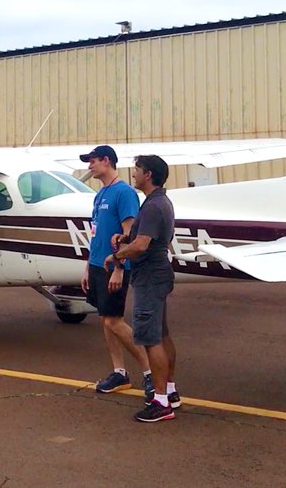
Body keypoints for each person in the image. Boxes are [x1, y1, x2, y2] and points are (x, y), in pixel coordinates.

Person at [105, 154, 180, 422]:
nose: (133, 174)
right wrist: (127, 236)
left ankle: (160, 401)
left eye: (137, 170)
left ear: (148, 175)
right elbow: (144, 237)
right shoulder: (161, 201)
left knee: (151, 338)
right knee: (162, 333)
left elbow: (141, 246)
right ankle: (170, 390)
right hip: (160, 273)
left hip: (149, 275)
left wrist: (116, 256)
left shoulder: (151, 206)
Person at [79, 145, 153, 400]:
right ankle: (119, 371)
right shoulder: (100, 194)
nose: (89, 167)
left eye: (92, 162)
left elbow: (128, 234)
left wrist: (119, 268)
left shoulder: (123, 193)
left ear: (106, 161)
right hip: (100, 265)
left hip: (115, 267)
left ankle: (150, 372)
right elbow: (96, 233)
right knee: (105, 319)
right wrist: (89, 266)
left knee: (114, 320)